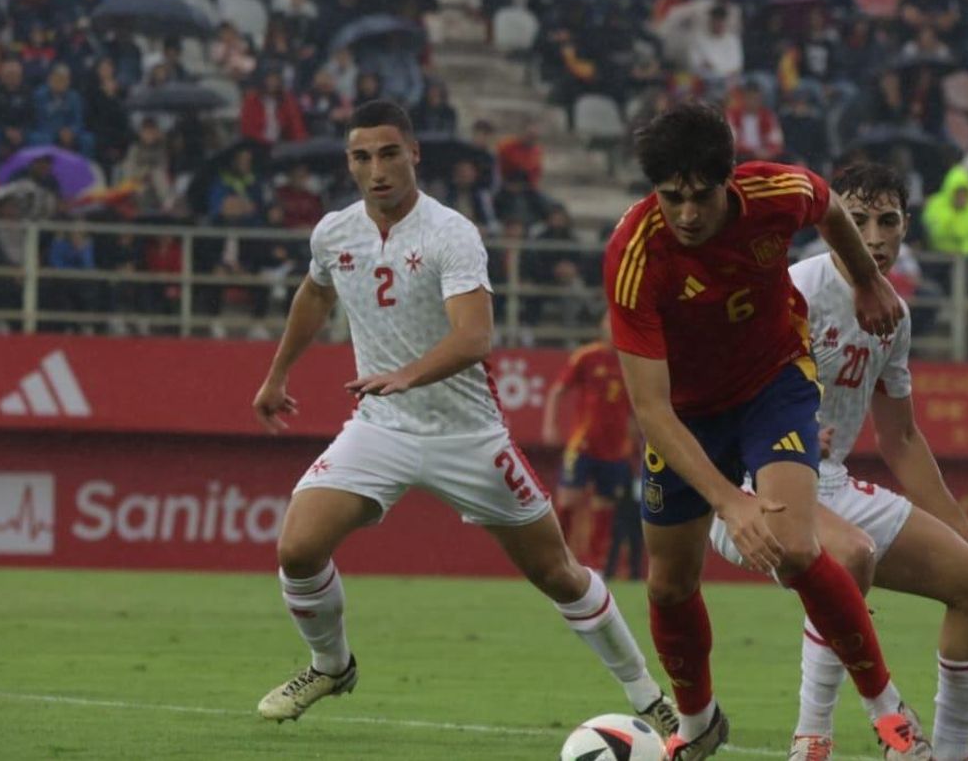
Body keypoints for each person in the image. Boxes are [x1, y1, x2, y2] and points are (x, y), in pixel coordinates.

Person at [249, 101, 678, 735]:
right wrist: (277, 372)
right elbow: (316, 291)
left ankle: (650, 698)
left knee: (558, 574)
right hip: (381, 427)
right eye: (362, 157)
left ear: (414, 154)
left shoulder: (451, 232)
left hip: (468, 436)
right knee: (298, 547)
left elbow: (474, 338)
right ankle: (330, 665)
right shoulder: (334, 232)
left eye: (389, 153)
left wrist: (406, 374)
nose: (377, 170)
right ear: (350, 163)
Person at [602, 102, 919, 760]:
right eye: (671, 198)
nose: (686, 214)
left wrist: (865, 281)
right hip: (685, 414)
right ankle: (697, 722)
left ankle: (890, 715)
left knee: (797, 546)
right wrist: (729, 499)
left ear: (729, 181)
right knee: (668, 584)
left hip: (773, 384)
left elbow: (830, 207)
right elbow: (652, 411)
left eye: (700, 196)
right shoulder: (633, 256)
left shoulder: (777, 191)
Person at [706, 160, 968, 760]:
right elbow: (715, 389)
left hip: (829, 485)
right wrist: (775, 431)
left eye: (888, 221)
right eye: (857, 220)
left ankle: (951, 752)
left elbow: (900, 438)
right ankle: (812, 739)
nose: (874, 237)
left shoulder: (891, 315)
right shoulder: (792, 289)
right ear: (830, 224)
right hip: (749, 486)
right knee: (847, 556)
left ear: (906, 228)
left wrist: (962, 529)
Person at [543, 315, 636, 567]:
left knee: (604, 506)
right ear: (602, 326)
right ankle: (556, 558)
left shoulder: (634, 361)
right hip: (583, 444)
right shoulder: (587, 356)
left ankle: (596, 566)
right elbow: (557, 390)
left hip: (616, 449)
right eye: (610, 322)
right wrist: (550, 425)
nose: (614, 327)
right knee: (567, 500)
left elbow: (637, 410)